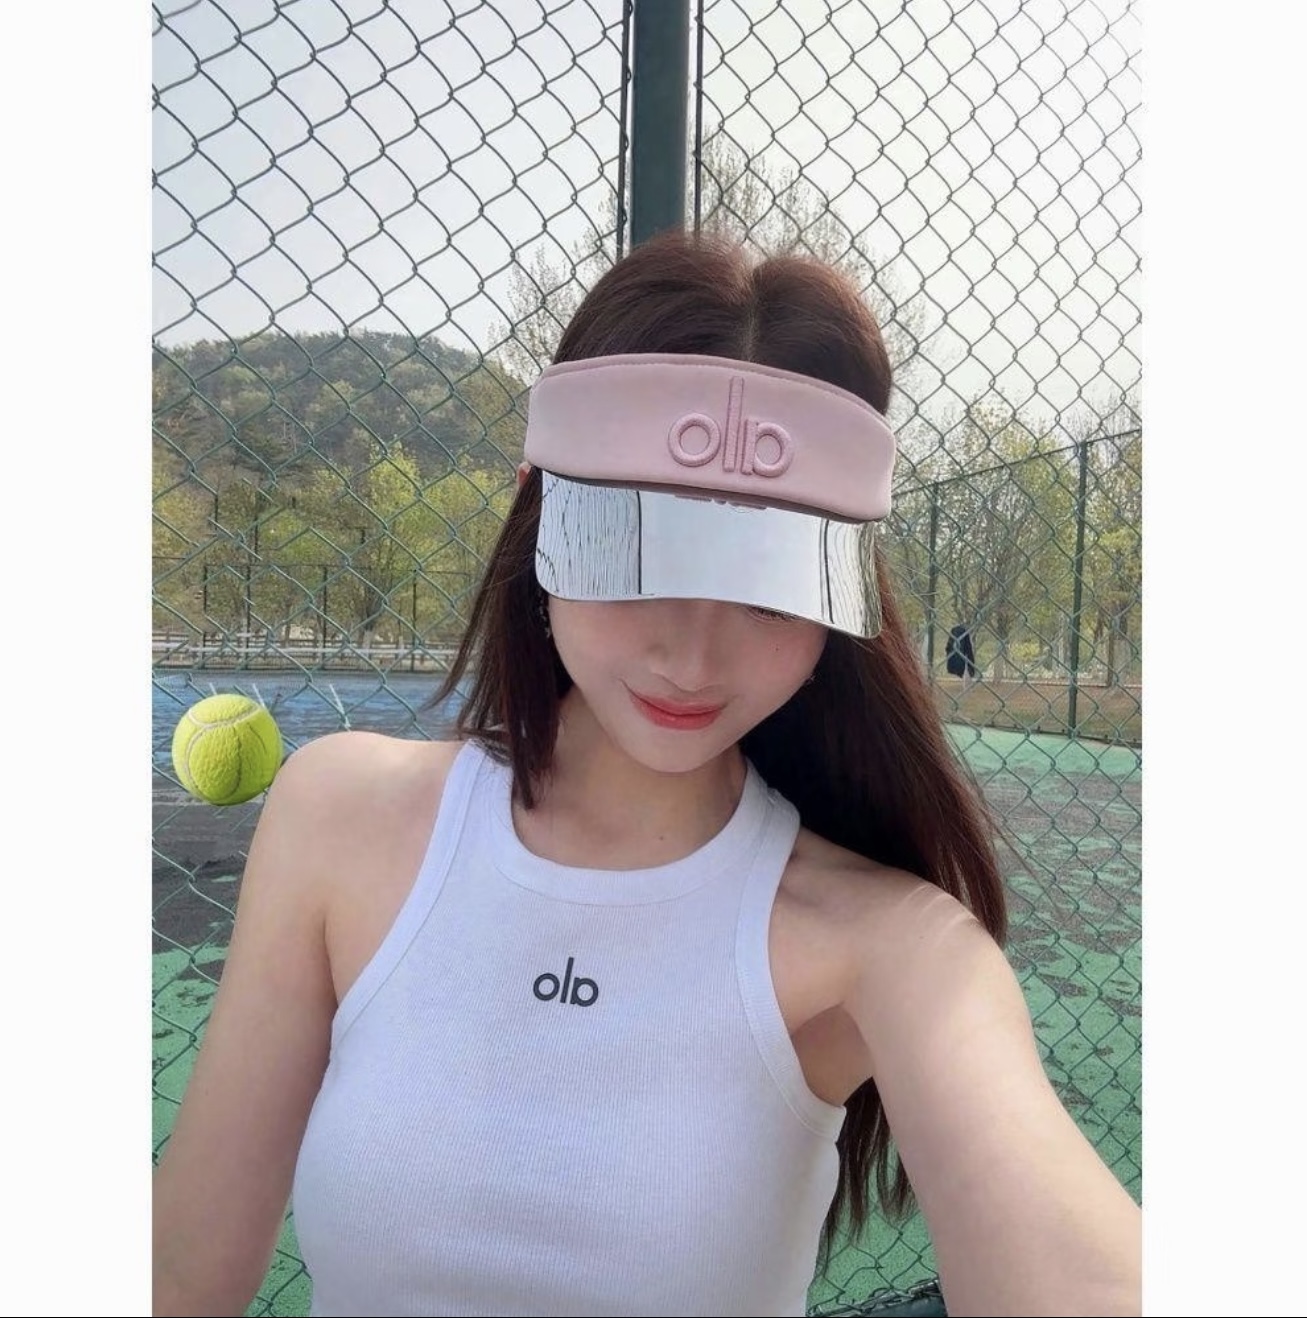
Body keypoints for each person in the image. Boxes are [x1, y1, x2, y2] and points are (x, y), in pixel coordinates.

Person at [152, 231, 1141, 1318]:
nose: (692, 654)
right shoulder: (338, 813)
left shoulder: (892, 944)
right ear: (536, 510)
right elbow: (177, 1275)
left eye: (770, 578)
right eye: (632, 545)